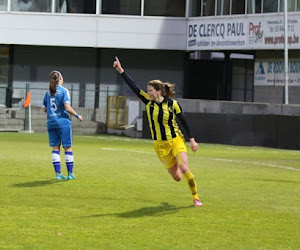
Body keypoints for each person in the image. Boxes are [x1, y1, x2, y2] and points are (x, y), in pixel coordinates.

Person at [113, 57, 203, 207]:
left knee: (184, 168)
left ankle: (196, 197)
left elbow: (184, 121)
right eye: (147, 91)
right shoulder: (148, 102)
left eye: (150, 90)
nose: (148, 93)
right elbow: (134, 88)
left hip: (176, 140)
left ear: (158, 91)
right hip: (160, 146)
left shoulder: (173, 104)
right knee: (177, 177)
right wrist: (121, 71)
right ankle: (183, 173)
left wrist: (192, 139)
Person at [43, 70, 83, 180]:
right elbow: (67, 108)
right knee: (68, 147)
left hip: (51, 123)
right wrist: (77, 115)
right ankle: (70, 174)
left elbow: (44, 109)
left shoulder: (48, 93)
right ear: (60, 79)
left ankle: (58, 174)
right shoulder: (64, 91)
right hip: (63, 123)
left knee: (55, 148)